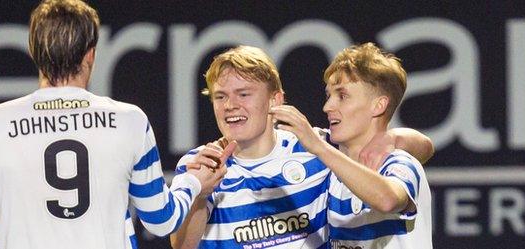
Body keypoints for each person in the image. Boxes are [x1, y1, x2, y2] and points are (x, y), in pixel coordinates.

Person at [0, 1, 231, 248]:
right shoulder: (130, 120)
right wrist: (192, 183)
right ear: (91, 54)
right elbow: (160, 220)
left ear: (34, 52)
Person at [170, 45, 433, 249]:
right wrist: (201, 194)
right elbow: (182, 247)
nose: (230, 105)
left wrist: (393, 138)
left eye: (244, 94)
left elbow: (416, 152)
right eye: (220, 96)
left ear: (276, 100)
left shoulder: (316, 148)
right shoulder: (200, 164)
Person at [270, 42, 432, 248]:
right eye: (329, 95)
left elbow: (387, 199)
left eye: (342, 96)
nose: (327, 107)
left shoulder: (399, 162)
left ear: (378, 105)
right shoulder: (325, 154)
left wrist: (319, 148)